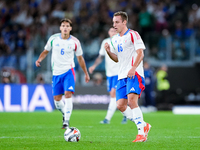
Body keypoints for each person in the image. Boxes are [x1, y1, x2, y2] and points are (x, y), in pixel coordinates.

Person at [104, 11, 151, 142]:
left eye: (117, 22)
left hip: (134, 73)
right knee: (120, 105)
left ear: (124, 22)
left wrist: (133, 67)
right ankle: (143, 125)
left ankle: (141, 134)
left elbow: (140, 53)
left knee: (131, 101)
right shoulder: (114, 39)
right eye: (113, 22)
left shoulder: (133, 34)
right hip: (121, 75)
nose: (114, 25)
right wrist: (108, 51)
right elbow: (116, 59)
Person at [35, 18, 90, 129]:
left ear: (70, 28)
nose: (65, 28)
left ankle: (66, 121)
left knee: (68, 94)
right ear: (60, 28)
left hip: (69, 72)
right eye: (63, 26)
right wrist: (39, 59)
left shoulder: (75, 42)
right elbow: (46, 51)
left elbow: (80, 59)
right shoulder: (53, 39)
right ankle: (65, 113)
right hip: (56, 74)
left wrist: (86, 73)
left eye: (67, 26)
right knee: (57, 100)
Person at [89, 27, 127, 124]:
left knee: (114, 94)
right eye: (111, 31)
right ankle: (126, 114)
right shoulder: (105, 42)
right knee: (114, 95)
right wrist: (93, 66)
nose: (113, 32)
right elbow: (101, 56)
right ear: (108, 32)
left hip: (119, 72)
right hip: (109, 73)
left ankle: (107, 118)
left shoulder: (121, 41)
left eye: (115, 31)